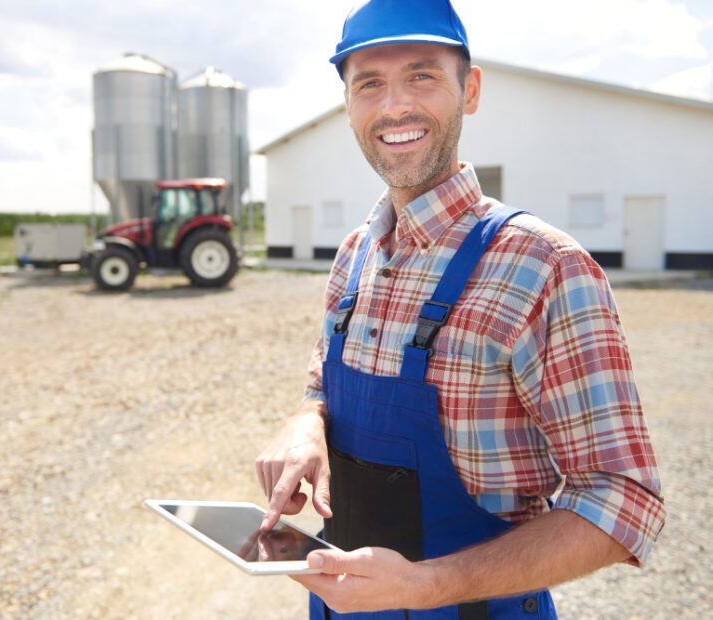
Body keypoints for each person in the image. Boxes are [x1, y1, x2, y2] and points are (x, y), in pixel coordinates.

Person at [254, 1, 666, 617]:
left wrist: (428, 586)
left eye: (422, 75)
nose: (394, 106)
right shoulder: (352, 257)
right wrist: (307, 420)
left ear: (469, 90)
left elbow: (625, 501)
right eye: (369, 83)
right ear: (348, 105)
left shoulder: (544, 267)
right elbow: (322, 381)